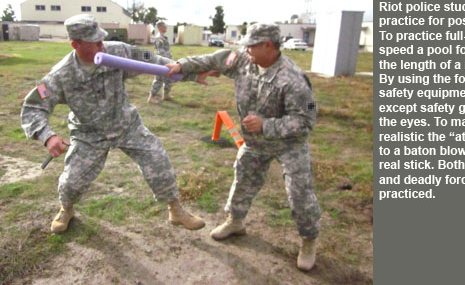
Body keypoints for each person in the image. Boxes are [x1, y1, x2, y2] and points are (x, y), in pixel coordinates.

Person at [20, 14, 205, 234]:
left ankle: (175, 210)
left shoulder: (118, 50)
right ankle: (66, 209)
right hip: (89, 134)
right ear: (75, 44)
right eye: (94, 42)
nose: (101, 45)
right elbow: (33, 108)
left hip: (126, 125)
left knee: (158, 160)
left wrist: (192, 72)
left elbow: (152, 59)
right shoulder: (61, 75)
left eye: (101, 39)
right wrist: (48, 136)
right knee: (72, 183)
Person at [166, 23, 321, 271]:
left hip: (288, 145)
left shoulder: (294, 79)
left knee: (299, 194)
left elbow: (307, 119)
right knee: (243, 178)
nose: (245, 49)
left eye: (251, 45)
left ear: (268, 46)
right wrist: (182, 65)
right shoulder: (243, 60)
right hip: (255, 143)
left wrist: (266, 125)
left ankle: (309, 240)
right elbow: (212, 60)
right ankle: (235, 221)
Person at [147, 20, 173, 103]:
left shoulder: (163, 37)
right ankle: (151, 97)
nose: (165, 28)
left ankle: (166, 95)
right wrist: (167, 61)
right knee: (159, 79)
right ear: (160, 27)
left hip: (167, 61)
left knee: (168, 78)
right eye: (164, 26)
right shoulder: (159, 38)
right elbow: (161, 52)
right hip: (161, 62)